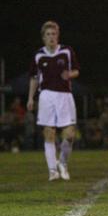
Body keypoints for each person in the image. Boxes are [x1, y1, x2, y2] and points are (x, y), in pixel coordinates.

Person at [27, 21, 80, 181]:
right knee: (49, 133)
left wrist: (70, 75)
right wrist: (30, 98)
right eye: (48, 34)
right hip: (46, 96)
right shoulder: (39, 56)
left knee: (70, 134)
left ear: (58, 36)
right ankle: (52, 170)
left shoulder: (66, 51)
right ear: (43, 38)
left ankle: (63, 163)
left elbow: (77, 70)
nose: (52, 37)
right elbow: (34, 79)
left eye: (54, 34)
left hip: (65, 96)